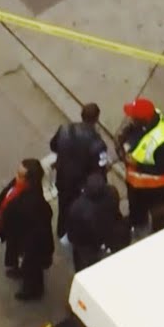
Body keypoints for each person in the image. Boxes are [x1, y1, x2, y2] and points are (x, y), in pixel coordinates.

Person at [0, 158, 54, 301]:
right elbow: (7, 194)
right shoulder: (19, 186)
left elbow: (39, 230)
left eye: (20, 175)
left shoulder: (34, 204)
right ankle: (19, 270)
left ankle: (33, 291)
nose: (15, 177)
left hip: (30, 245)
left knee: (32, 269)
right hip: (17, 237)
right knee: (20, 259)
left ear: (29, 180)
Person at [117, 97, 164, 237]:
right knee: (136, 204)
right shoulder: (151, 116)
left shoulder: (162, 141)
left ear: (144, 120)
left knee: (159, 210)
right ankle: (138, 221)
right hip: (137, 184)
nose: (130, 119)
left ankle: (160, 233)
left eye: (134, 117)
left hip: (156, 186)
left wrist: (137, 164)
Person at [49, 103, 110, 243]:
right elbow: (100, 169)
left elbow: (53, 146)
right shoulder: (98, 143)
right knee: (79, 211)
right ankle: (75, 235)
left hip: (63, 178)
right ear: (96, 119)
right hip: (81, 184)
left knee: (63, 205)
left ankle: (61, 231)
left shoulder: (64, 129)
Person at [65, 172, 130, 272]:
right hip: (108, 232)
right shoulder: (112, 192)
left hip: (88, 242)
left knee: (87, 264)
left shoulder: (78, 207)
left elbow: (74, 232)